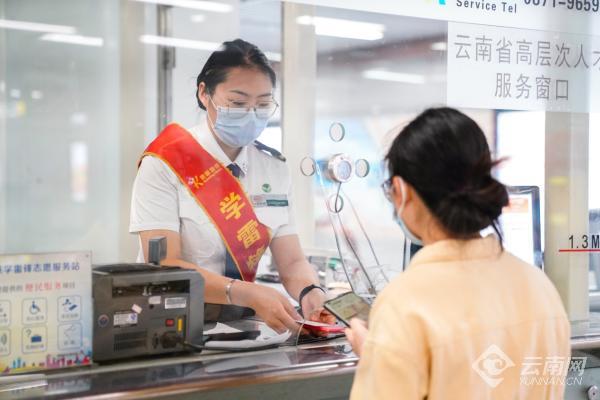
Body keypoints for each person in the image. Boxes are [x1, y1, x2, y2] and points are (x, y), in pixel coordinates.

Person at [346, 108, 570, 399]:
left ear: (402, 191)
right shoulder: (540, 287)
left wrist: (378, 358)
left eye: (391, 189)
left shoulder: (405, 302)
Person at [129, 39, 332, 333]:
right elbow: (164, 265)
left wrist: (311, 293)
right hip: (171, 325)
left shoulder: (274, 168)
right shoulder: (164, 163)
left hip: (244, 328)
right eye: (237, 103)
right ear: (204, 93)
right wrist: (245, 292)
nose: (251, 113)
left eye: (263, 104)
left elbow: (292, 262)